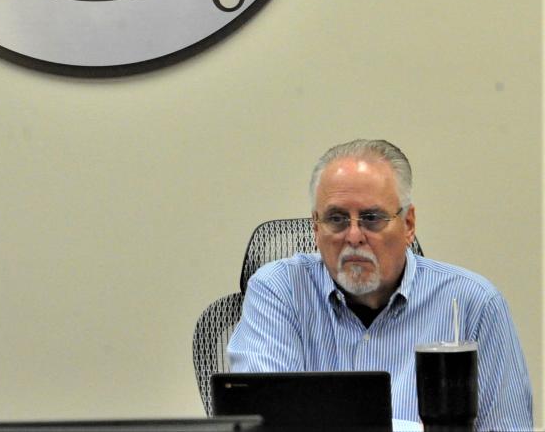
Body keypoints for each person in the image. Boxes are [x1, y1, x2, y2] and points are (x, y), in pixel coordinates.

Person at [227, 139, 533, 431]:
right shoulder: (278, 291)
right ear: (316, 228)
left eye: (372, 218)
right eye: (336, 219)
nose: (354, 236)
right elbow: (262, 423)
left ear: (409, 224)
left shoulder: (473, 303)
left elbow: (507, 426)